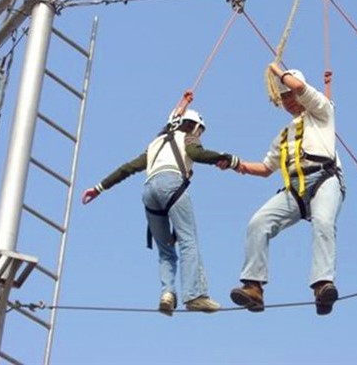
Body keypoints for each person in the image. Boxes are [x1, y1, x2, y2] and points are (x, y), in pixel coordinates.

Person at [82, 108, 240, 316]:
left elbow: (127, 168)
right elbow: (197, 154)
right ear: (194, 126)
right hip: (172, 186)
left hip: (149, 193)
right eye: (200, 131)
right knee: (188, 241)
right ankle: (194, 295)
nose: (199, 135)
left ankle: (167, 293)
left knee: (166, 251)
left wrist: (99, 188)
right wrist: (228, 158)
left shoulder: (156, 143)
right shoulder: (188, 136)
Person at [227, 63, 345, 316]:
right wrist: (236, 164)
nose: (288, 101)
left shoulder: (322, 112)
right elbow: (267, 167)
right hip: (295, 188)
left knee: (323, 222)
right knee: (258, 223)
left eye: (290, 95)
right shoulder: (283, 135)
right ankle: (253, 287)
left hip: (324, 178)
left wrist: (277, 70)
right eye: (283, 98)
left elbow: (300, 86)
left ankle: (323, 286)